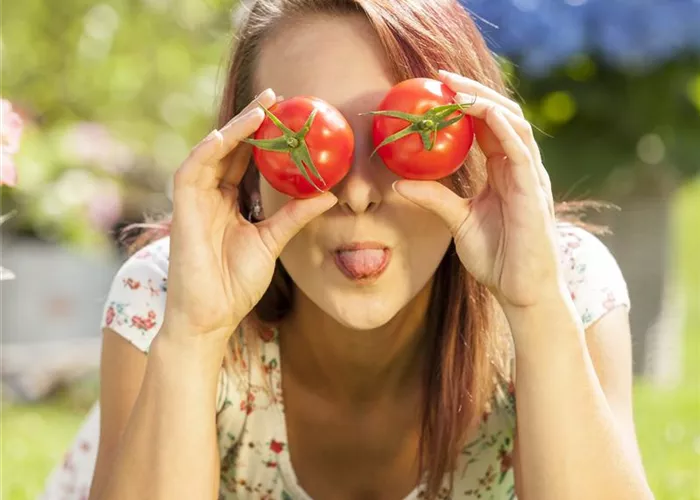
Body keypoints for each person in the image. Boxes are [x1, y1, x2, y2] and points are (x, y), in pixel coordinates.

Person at [41, 0, 654, 499]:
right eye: (302, 145)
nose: (357, 193)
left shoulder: (563, 285)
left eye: (408, 135)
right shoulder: (168, 296)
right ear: (246, 169)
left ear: (473, 153)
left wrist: (538, 310)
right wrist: (193, 337)